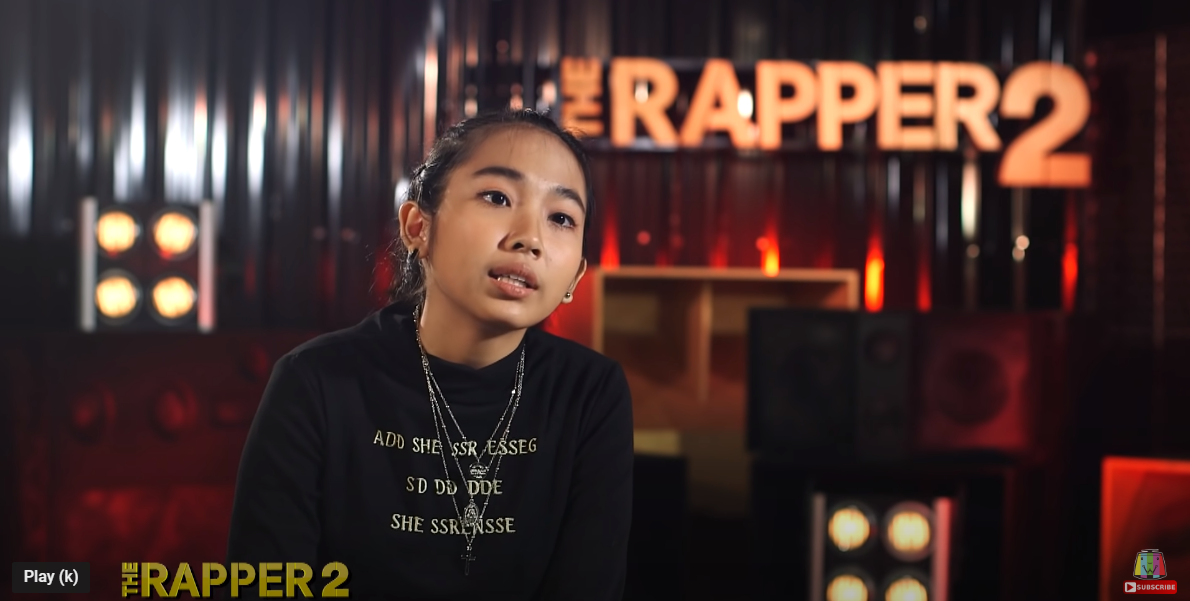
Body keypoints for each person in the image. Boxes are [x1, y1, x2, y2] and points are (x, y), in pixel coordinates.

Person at [225, 109, 634, 600]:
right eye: (497, 197)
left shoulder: (590, 393)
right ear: (418, 226)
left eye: (561, 218)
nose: (530, 238)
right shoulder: (316, 382)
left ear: (576, 274)